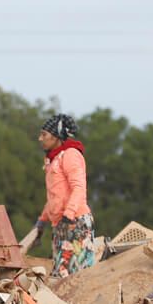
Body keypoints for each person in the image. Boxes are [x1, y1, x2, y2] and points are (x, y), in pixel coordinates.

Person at [34, 113, 94, 278]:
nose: (40, 139)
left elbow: (79, 187)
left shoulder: (70, 155)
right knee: (61, 274)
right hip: (61, 223)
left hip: (75, 223)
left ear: (56, 137)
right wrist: (42, 220)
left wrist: (68, 214)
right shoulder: (53, 160)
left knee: (72, 275)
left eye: (44, 134)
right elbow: (56, 197)